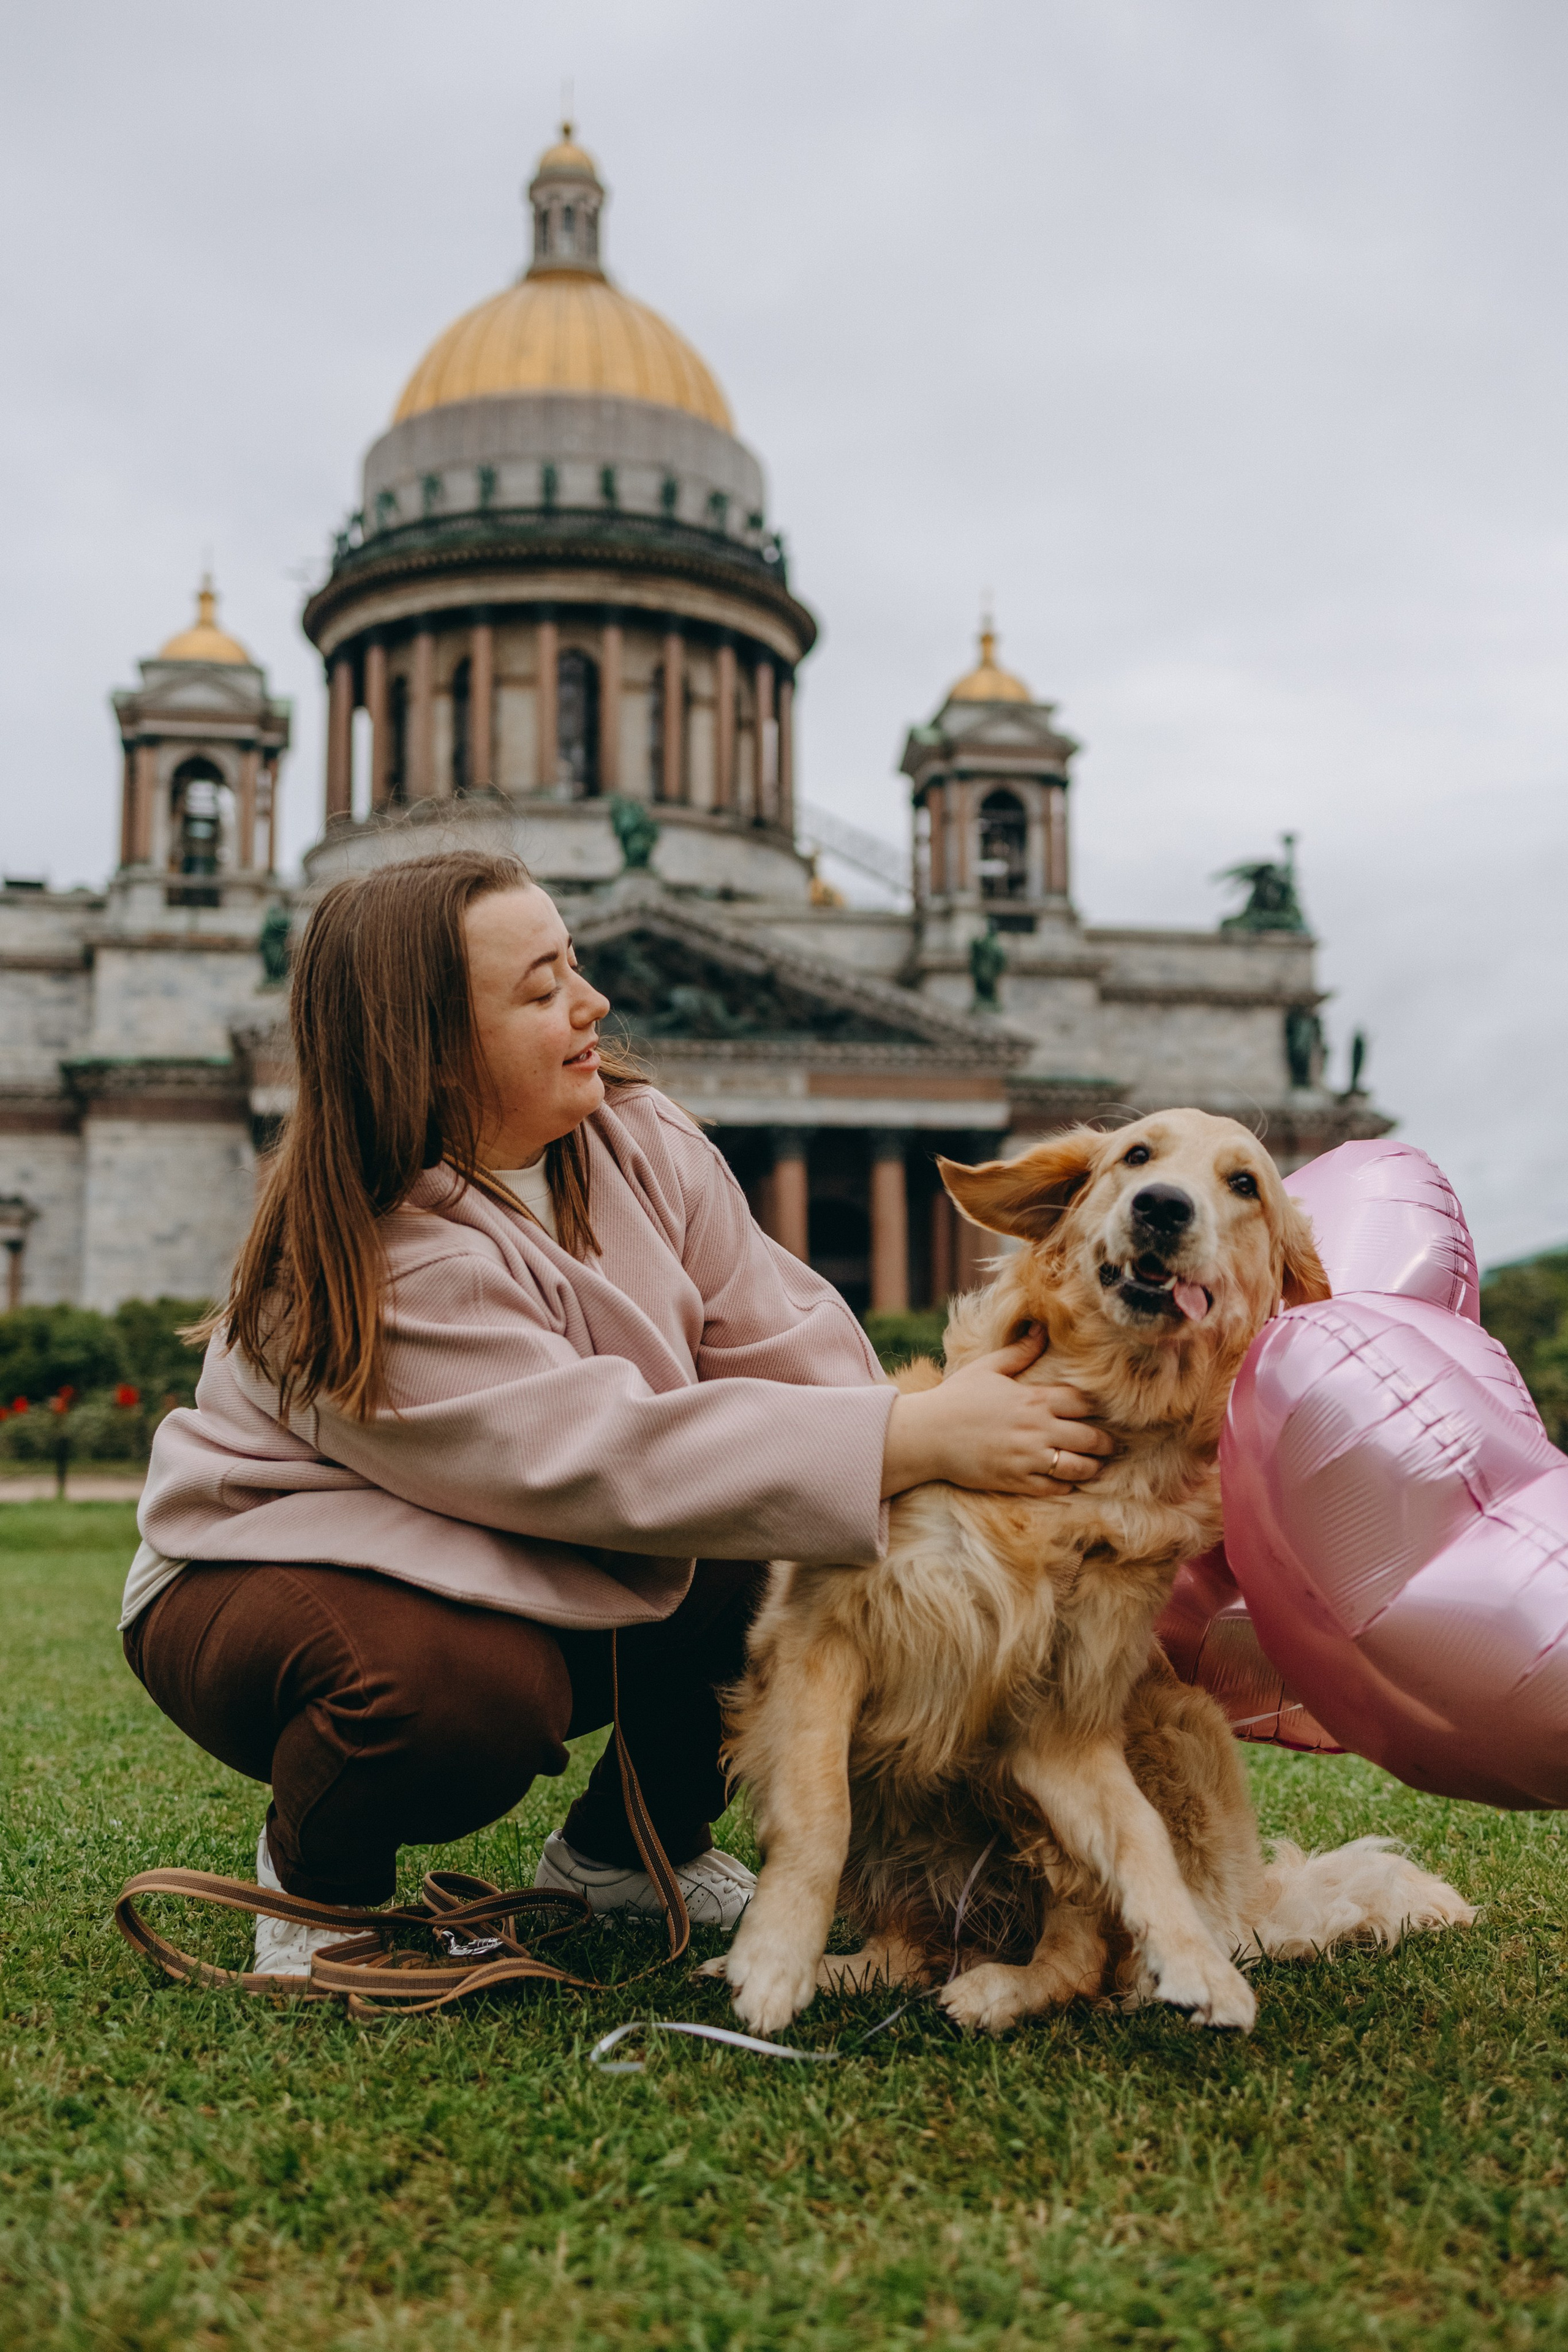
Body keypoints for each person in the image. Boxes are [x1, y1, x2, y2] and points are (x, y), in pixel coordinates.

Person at [122, 853, 1110, 1975]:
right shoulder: (361, 1257)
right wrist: (914, 1438)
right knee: (457, 1695)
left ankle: (626, 1856)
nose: (593, 1004)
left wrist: (983, 1460)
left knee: (796, 1525)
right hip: (282, 1576)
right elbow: (605, 1460)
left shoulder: (641, 1141)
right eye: (541, 991)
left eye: (576, 966)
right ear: (429, 1050)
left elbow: (799, 1364)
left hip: (519, 1551)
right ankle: (318, 1893)